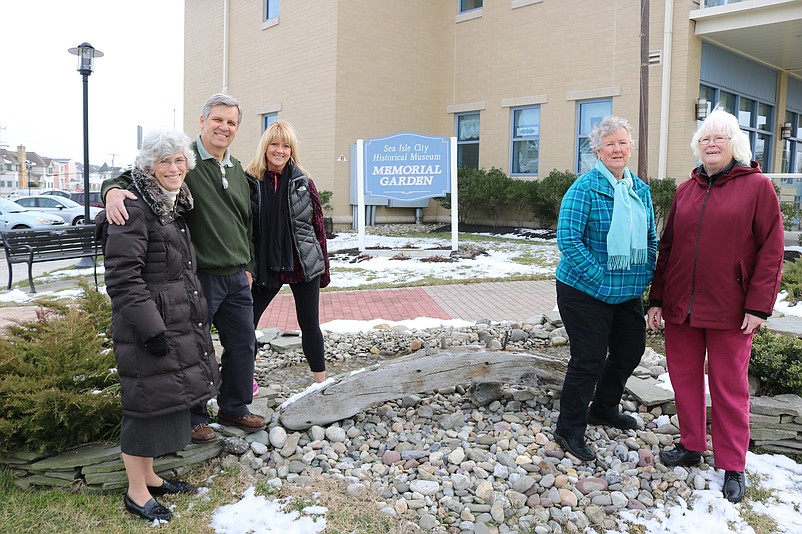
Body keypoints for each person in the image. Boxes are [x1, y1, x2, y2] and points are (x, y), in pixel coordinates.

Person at [102, 93, 266, 443]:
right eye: (218, 119)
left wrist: (248, 263)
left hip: (237, 276)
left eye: (232, 122)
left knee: (243, 344)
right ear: (203, 121)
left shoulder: (238, 170)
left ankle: (234, 406)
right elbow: (133, 176)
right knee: (193, 348)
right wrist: (111, 192)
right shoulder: (183, 160)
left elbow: (247, 224)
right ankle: (193, 416)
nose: (224, 127)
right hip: (197, 276)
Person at [647, 108, 784, 503]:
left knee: (729, 388)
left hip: (732, 311)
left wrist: (758, 307)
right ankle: (691, 445)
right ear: (698, 146)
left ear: (734, 144)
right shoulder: (685, 190)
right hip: (681, 310)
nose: (711, 144)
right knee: (684, 380)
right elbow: (668, 249)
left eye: (719, 138)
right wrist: (657, 298)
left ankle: (733, 464)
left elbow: (772, 251)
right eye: (705, 139)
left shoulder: (757, 187)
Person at [99, 128, 221, 522]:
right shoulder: (134, 208)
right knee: (145, 405)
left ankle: (149, 476)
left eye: (179, 160)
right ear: (149, 167)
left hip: (172, 320)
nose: (174, 168)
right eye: (165, 161)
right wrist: (151, 329)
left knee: (162, 398)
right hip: (146, 325)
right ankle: (136, 492)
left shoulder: (171, 204)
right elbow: (122, 278)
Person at [553, 116, 658, 462]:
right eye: (610, 143)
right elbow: (568, 240)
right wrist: (599, 276)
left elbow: (651, 240)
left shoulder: (639, 189)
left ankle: (604, 408)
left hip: (627, 291)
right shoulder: (584, 189)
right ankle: (569, 429)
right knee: (589, 359)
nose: (617, 148)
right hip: (584, 290)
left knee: (630, 351)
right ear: (597, 150)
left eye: (623, 142)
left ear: (630, 148)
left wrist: (643, 276)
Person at [244, 120, 330, 383]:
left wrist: (324, 268)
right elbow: (244, 228)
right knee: (246, 322)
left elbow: (318, 226)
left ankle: (321, 382)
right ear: (265, 147)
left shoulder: (304, 182)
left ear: (292, 150)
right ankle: (245, 378)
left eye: (286, 146)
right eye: (274, 144)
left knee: (309, 323)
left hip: (301, 262)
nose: (279, 150)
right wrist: (246, 267)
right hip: (265, 264)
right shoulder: (249, 181)